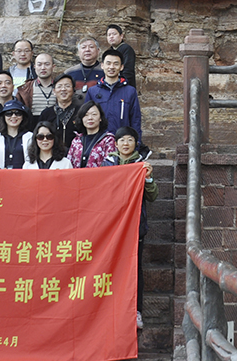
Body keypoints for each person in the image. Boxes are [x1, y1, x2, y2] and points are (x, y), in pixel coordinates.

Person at [101, 126, 157, 330]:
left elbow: (152, 196)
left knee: (135, 270)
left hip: (135, 226)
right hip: (111, 226)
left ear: (136, 144)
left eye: (130, 140)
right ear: (115, 144)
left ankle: (136, 310)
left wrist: (148, 178)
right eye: (122, 140)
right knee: (109, 268)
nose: (126, 144)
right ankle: (109, 309)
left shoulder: (141, 165)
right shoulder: (107, 164)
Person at [85, 49, 145, 151]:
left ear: (121, 67)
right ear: (102, 65)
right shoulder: (93, 91)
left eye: (116, 64)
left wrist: (136, 143)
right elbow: (86, 119)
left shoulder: (130, 91)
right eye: (108, 63)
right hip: (98, 144)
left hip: (122, 144)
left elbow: (135, 120)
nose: (111, 67)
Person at [67, 101, 116, 168]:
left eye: (94, 114)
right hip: (77, 177)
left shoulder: (108, 140)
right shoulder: (76, 141)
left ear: (100, 118)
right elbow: (69, 165)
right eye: (86, 115)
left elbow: (110, 165)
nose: (90, 118)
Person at [39, 73, 80, 150]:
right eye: (59, 86)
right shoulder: (46, 113)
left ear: (73, 91)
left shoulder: (80, 112)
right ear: (54, 91)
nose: (63, 89)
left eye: (67, 86)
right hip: (52, 154)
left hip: (76, 154)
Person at [0, 99, 30, 169]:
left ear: (23, 117)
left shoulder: (30, 137)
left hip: (24, 177)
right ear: (3, 117)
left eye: (18, 113)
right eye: (9, 114)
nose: (13, 116)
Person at [16, 53, 55, 118]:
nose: (43, 68)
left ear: (53, 67)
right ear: (34, 67)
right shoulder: (25, 88)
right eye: (39, 65)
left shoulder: (60, 87)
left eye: (47, 64)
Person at [107, 24, 137, 89]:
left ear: (121, 36)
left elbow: (128, 71)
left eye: (114, 34)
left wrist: (119, 84)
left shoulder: (126, 49)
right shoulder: (109, 51)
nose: (111, 37)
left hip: (123, 86)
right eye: (109, 35)